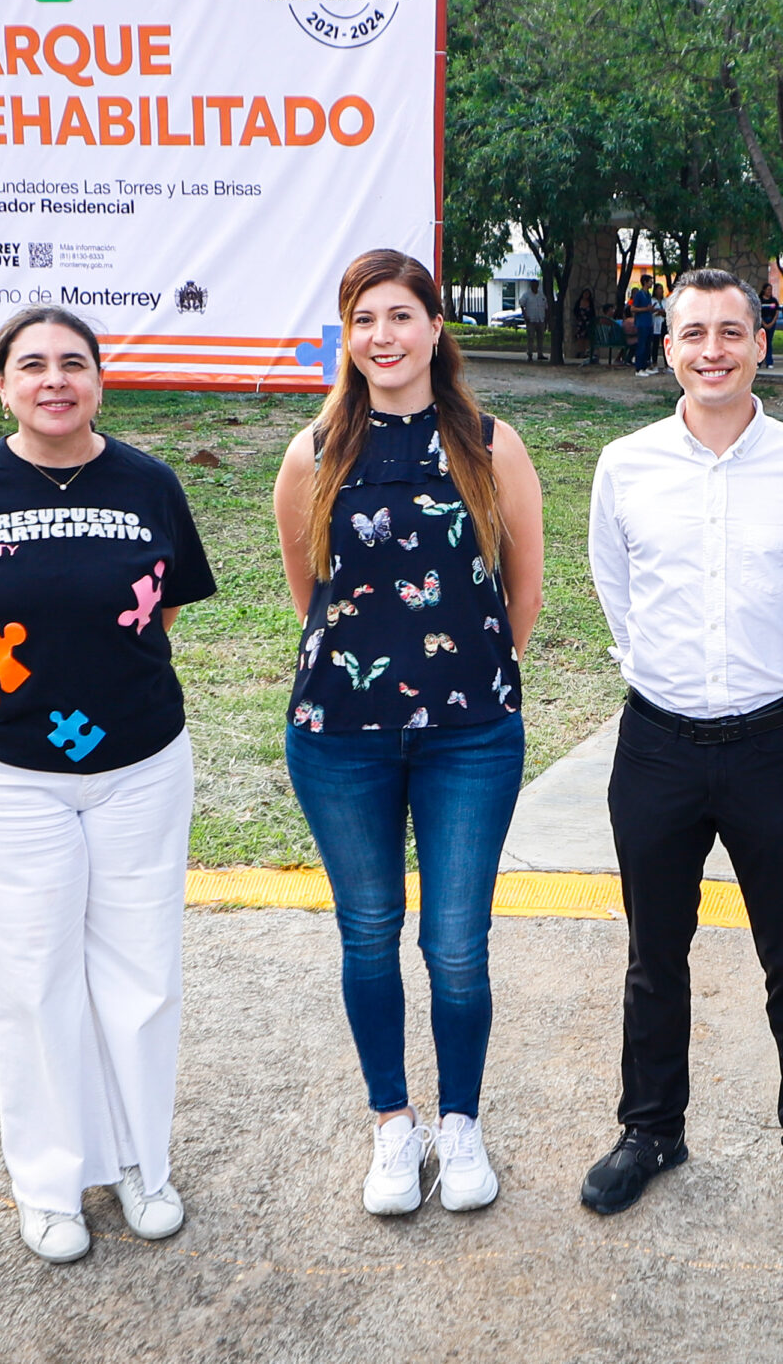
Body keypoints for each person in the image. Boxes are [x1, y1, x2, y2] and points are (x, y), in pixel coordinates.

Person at [0, 305, 217, 1264]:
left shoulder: (149, 484)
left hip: (141, 769)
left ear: (99, 381)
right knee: (32, 986)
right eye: (31, 365)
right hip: (5, 779)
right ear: (1, 384)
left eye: (73, 363)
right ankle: (49, 1185)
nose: (54, 380)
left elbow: (159, 615)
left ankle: (140, 1165)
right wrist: (15, 708)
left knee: (141, 977)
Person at [580, 269, 783, 1237]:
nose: (712, 349)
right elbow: (614, 587)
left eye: (731, 331)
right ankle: (650, 1130)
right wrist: (664, 672)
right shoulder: (624, 464)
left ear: (761, 341)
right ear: (667, 347)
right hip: (655, 742)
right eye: (693, 332)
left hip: (768, 743)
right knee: (652, 956)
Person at [275, 250, 547, 1217]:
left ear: (436, 326)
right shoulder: (315, 450)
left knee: (457, 945)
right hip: (340, 735)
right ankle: (394, 1125)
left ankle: (460, 1123)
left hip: (470, 738)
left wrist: (456, 678)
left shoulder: (487, 441)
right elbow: (315, 596)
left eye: (400, 315)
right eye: (363, 320)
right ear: (346, 338)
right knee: (369, 934)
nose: (383, 337)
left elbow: (521, 596)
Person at [629, 277, 659, 376]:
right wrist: (646, 309)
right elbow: (633, 308)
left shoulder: (648, 294)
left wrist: (651, 309)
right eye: (650, 282)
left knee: (647, 346)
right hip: (642, 323)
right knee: (641, 345)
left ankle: (645, 366)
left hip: (648, 322)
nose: (652, 284)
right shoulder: (639, 294)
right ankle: (638, 368)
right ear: (645, 282)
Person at [520, 280, 549, 363]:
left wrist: (546, 318)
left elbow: (546, 307)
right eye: (533, 285)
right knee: (531, 337)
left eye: (536, 285)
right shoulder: (526, 295)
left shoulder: (541, 295)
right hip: (531, 319)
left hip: (540, 319)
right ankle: (530, 354)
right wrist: (525, 316)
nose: (535, 286)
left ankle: (540, 354)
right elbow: (522, 305)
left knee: (541, 338)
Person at [572, 288, 596, 366]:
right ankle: (580, 351)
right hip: (580, 322)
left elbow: (593, 313)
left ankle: (586, 352)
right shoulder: (579, 302)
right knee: (580, 337)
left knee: (587, 337)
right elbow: (575, 311)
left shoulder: (590, 303)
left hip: (588, 322)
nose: (586, 295)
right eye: (585, 293)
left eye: (588, 294)